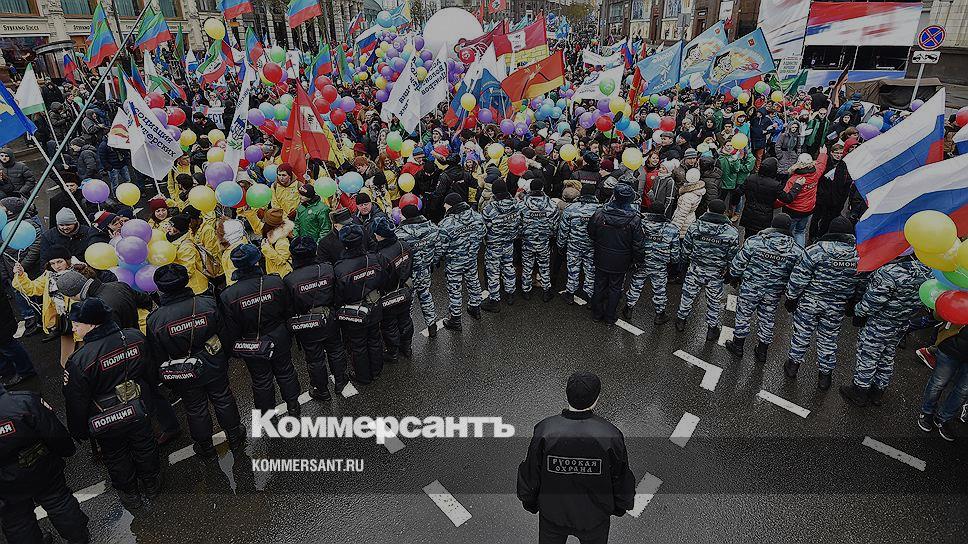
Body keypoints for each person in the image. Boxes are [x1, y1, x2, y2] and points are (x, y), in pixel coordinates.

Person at [62, 298, 161, 510]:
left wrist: (79, 430)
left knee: (116, 455)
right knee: (145, 444)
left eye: (77, 324)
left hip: (105, 416)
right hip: (138, 406)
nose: (73, 329)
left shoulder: (79, 360)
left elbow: (76, 399)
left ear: (92, 324)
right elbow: (150, 371)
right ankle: (152, 482)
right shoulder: (134, 337)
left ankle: (130, 493)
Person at [517, 371, 635, 544]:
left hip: (552, 516)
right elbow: (620, 478)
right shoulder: (611, 435)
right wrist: (620, 506)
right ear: (596, 399)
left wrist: (530, 502)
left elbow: (531, 473)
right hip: (594, 519)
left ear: (567, 395)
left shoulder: (545, 430)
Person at [147, 264, 244, 459]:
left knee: (195, 408)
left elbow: (158, 356)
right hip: (213, 361)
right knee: (223, 398)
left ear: (160, 288)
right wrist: (223, 357)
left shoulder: (155, 320)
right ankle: (234, 435)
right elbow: (225, 335)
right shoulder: (207, 303)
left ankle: (206, 447)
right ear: (185, 281)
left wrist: (168, 379)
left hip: (183, 369)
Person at [0, 382, 90, 544]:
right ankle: (79, 539)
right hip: (40, 467)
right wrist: (67, 450)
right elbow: (53, 432)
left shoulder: (24, 402)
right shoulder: (24, 402)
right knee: (58, 501)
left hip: (6, 484)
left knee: (17, 520)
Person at [783, 217, 864, 391]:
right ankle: (825, 377)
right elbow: (861, 283)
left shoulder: (815, 251)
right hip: (837, 305)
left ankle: (792, 366)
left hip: (810, 302)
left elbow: (799, 278)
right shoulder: (858, 256)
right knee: (828, 339)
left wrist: (791, 298)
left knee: (801, 334)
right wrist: (853, 303)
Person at [220, 244, 301, 416]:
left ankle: (267, 415)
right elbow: (288, 310)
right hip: (279, 335)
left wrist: (237, 349)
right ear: (257, 261)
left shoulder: (229, 295)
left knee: (261, 380)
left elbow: (231, 328)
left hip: (252, 343)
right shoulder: (275, 282)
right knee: (286, 371)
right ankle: (293, 405)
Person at [840, 256, 930, 406]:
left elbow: (872, 302)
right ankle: (878, 391)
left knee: (868, 356)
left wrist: (858, 311)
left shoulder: (890, 272)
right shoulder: (928, 273)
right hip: (902, 322)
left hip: (880, 323)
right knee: (887, 355)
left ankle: (859, 392)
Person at [724, 214, 804, 361]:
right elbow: (797, 276)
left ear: (772, 225)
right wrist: (791, 295)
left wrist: (733, 276)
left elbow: (739, 263)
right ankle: (762, 351)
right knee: (767, 318)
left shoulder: (755, 242)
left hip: (751, 287)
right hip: (774, 291)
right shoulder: (796, 251)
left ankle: (738, 345)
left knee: (743, 315)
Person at [284, 237, 350, 399]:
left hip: (307, 323)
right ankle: (340, 381)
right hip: (329, 317)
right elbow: (338, 294)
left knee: (314, 358)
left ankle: (322, 390)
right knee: (336, 350)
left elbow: (289, 308)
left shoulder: (290, 279)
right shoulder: (327, 269)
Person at [675, 199, 739, 340]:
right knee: (714, 301)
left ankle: (681, 320)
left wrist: (683, 265)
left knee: (688, 296)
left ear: (708, 209)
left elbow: (686, 249)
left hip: (695, 268)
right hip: (716, 272)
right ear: (724, 213)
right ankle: (711, 329)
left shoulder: (694, 227)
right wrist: (730, 273)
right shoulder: (731, 233)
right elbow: (732, 257)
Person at [333, 225, 387, 384]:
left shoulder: (340, 268)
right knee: (375, 338)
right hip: (375, 305)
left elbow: (338, 295)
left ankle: (363, 377)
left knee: (358, 345)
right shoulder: (375, 258)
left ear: (344, 244)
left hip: (354, 311)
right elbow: (384, 278)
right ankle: (376, 371)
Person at [587, 184, 646, 325]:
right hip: (621, 259)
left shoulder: (600, 213)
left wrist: (600, 243)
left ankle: (597, 314)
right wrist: (638, 260)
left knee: (599, 284)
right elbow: (638, 243)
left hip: (601, 255)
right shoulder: (634, 219)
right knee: (615, 288)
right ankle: (609, 317)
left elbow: (591, 232)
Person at [624, 201, 681, 324]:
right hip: (660, 264)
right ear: (663, 212)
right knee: (659, 288)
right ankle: (660, 314)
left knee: (636, 284)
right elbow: (675, 251)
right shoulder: (672, 229)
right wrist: (674, 264)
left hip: (641, 261)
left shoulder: (640, 224)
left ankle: (628, 308)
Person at [438, 192, 486, 330]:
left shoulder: (446, 224)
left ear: (451, 205)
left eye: (446, 204)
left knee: (455, 289)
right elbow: (483, 233)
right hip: (471, 258)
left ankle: (455, 319)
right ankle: (475, 309)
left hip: (454, 262)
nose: (444, 206)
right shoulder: (477, 217)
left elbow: (441, 246)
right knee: (473, 282)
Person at [371, 216, 414, 364]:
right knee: (405, 320)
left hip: (389, 295)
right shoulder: (404, 245)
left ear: (379, 235)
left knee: (389, 325)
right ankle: (407, 347)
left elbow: (381, 280)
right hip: (405, 290)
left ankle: (393, 353)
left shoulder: (380, 256)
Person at [396, 204, 441, 337]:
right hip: (425, 271)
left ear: (404, 216)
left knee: (407, 304)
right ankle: (432, 326)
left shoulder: (399, 234)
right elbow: (438, 250)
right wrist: (432, 262)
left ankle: (406, 334)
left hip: (408, 276)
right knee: (426, 296)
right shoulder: (433, 229)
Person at [917, 324, 968, 442]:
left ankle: (943, 418)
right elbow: (939, 315)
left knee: (963, 391)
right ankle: (927, 412)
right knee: (938, 383)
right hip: (951, 346)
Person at [481, 180, 522, 311]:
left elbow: (484, 229)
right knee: (508, 266)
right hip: (509, 242)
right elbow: (519, 222)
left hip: (494, 245)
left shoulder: (489, 209)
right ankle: (510, 293)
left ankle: (494, 300)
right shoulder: (516, 205)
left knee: (493, 271)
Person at [558, 182, 599, 304]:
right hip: (592, 246)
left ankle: (570, 294)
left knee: (573, 269)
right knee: (591, 271)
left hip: (574, 245)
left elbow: (563, 230)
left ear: (581, 193)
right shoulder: (600, 210)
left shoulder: (571, 208)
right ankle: (590, 297)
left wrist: (560, 245)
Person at [520, 178, 560, 302]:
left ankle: (526, 290)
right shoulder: (551, 205)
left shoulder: (522, 205)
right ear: (542, 188)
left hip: (527, 241)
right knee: (544, 265)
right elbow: (555, 226)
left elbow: (518, 224)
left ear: (530, 189)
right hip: (543, 241)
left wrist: (523, 234)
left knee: (527, 265)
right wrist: (549, 235)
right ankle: (546, 291)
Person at [779, 149, 828, 247]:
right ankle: (800, 251)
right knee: (800, 232)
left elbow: (784, 196)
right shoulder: (816, 174)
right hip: (808, 209)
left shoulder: (794, 180)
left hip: (792, 210)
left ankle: (786, 250)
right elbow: (821, 164)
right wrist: (823, 153)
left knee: (787, 233)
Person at [39, 208, 104, 263]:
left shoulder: (88, 232)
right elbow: (44, 259)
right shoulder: (48, 236)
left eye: (68, 225)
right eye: (61, 225)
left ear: (74, 223)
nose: (65, 228)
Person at [168, 214, 208, 295]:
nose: (168, 228)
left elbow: (188, 272)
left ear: (179, 229)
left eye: (172, 226)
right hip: (187, 287)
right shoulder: (175, 240)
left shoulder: (186, 247)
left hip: (195, 288)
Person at [261, 208, 293, 278]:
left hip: (282, 276)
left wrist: (267, 249)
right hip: (274, 274)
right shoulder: (271, 235)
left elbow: (282, 260)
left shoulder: (282, 241)